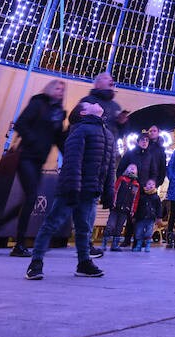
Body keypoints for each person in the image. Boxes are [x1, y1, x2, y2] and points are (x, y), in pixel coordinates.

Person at [25, 71, 120, 280]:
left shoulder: (107, 135)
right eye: (89, 105)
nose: (94, 104)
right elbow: (72, 162)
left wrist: (107, 191)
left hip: (89, 190)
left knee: (84, 227)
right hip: (72, 189)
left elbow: (108, 166)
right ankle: (36, 262)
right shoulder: (80, 130)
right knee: (52, 222)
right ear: (84, 113)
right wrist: (72, 189)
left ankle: (84, 262)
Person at [8, 79, 67, 257]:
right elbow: (21, 124)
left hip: (39, 159)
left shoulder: (58, 112)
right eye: (57, 88)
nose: (60, 91)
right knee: (32, 195)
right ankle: (19, 243)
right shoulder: (38, 103)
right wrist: (34, 140)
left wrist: (68, 154)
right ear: (49, 88)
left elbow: (58, 138)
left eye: (63, 90)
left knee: (30, 198)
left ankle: (14, 235)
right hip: (26, 156)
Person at [105, 165, 140, 251]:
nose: (132, 169)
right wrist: (113, 202)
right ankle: (104, 243)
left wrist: (132, 210)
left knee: (119, 227)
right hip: (116, 207)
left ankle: (115, 245)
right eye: (131, 167)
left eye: (134, 169)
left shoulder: (136, 185)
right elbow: (115, 190)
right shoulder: (122, 179)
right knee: (110, 225)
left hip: (125, 209)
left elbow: (135, 199)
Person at [132, 179, 160, 252]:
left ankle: (148, 245)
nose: (151, 186)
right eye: (149, 184)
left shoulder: (156, 197)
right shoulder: (142, 196)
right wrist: (135, 215)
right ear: (145, 185)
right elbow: (137, 206)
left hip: (151, 218)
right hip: (141, 217)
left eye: (153, 184)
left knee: (149, 232)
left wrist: (158, 217)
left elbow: (159, 207)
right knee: (139, 232)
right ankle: (139, 245)